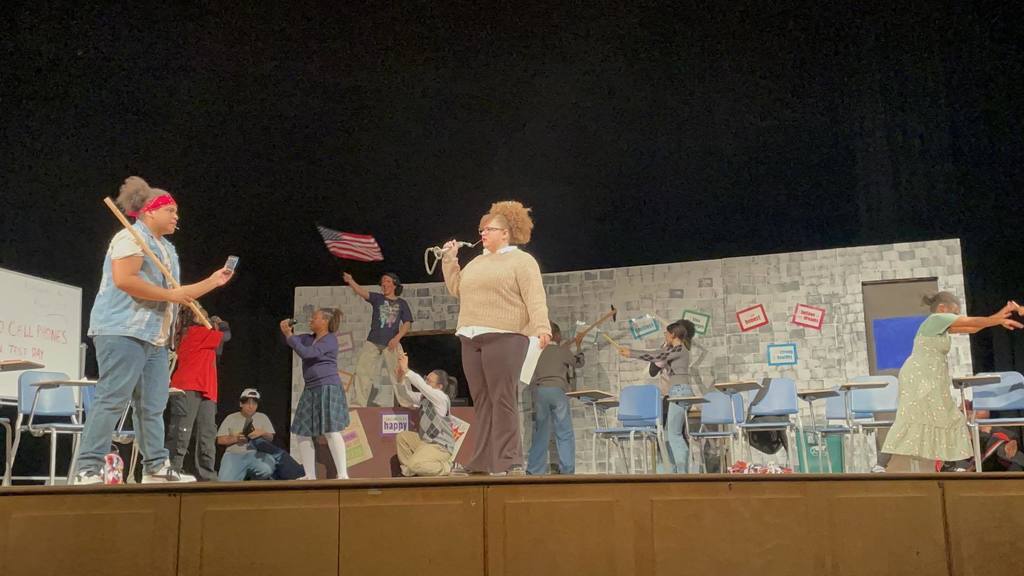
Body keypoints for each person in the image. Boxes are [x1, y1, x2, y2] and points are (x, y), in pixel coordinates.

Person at [75, 176, 234, 485]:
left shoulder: (167, 250)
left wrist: (213, 281)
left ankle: (155, 466)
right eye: (171, 210)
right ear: (150, 210)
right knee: (112, 399)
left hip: (154, 338)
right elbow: (125, 280)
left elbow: (178, 292)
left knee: (152, 405)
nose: (177, 216)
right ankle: (87, 467)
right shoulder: (130, 237)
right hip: (122, 331)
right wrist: (171, 296)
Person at [441, 200, 552, 476]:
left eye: (489, 229)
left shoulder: (522, 261)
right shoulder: (477, 262)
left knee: (503, 398)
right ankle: (481, 461)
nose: (483, 233)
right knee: (482, 402)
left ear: (505, 233)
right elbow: (457, 288)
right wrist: (449, 258)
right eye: (481, 229)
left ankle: (510, 460)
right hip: (470, 336)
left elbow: (535, 297)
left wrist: (542, 326)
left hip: (504, 337)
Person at [882, 292, 1022, 472]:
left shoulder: (941, 328)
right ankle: (881, 464)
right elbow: (971, 322)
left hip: (932, 377)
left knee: (952, 418)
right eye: (955, 313)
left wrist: (1000, 316)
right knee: (909, 416)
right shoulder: (935, 319)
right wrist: (997, 319)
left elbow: (972, 328)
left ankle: (953, 463)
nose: (957, 317)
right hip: (920, 376)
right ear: (942, 309)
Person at [618, 319, 697, 473]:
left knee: (674, 434)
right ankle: (669, 471)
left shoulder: (679, 349)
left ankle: (683, 472)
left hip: (680, 392)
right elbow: (658, 356)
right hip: (677, 392)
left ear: (673, 334)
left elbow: (657, 356)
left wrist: (631, 353)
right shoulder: (677, 349)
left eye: (667, 333)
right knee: (668, 434)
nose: (665, 336)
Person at [280, 308, 350, 479]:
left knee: (331, 431)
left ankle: (343, 474)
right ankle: (310, 475)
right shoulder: (309, 338)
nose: (311, 320)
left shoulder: (330, 340)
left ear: (325, 321)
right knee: (302, 432)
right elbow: (292, 341)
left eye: (315, 317)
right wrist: (286, 332)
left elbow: (307, 353)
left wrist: (289, 336)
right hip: (311, 388)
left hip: (327, 387)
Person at [165, 307, 227, 480]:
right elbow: (226, 335)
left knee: (207, 432)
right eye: (200, 313)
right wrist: (220, 324)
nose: (204, 315)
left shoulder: (204, 334)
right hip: (189, 386)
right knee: (182, 429)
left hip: (206, 388)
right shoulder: (194, 333)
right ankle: (173, 469)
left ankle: (207, 474)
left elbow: (220, 347)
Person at [342, 271, 413, 407]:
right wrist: (351, 281)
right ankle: (358, 403)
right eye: (382, 281)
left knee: (399, 372)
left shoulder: (402, 303)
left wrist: (397, 338)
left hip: (392, 342)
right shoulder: (378, 298)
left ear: (394, 284)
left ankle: (406, 402)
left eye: (386, 281)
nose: (383, 283)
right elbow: (361, 292)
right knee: (363, 371)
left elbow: (407, 323)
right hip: (373, 341)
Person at [526, 321, 585, 475]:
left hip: (540, 392)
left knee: (541, 433)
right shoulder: (562, 350)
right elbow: (579, 362)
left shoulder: (536, 352)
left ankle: (534, 470)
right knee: (564, 432)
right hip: (558, 392)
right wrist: (578, 346)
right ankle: (567, 470)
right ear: (557, 335)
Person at [393, 352, 457, 476]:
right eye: (426, 379)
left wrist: (406, 370)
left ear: (439, 386)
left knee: (414, 464)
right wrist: (400, 378)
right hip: (426, 442)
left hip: (440, 446)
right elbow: (404, 396)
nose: (426, 382)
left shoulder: (441, 398)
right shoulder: (423, 398)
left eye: (429, 381)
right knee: (403, 437)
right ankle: (412, 472)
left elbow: (421, 386)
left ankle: (446, 467)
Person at [216, 389, 277, 481]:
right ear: (241, 404)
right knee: (224, 482)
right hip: (234, 455)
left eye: (254, 404)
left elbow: (271, 438)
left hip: (255, 454)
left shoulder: (262, 417)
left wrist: (262, 433)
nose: (251, 406)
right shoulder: (231, 417)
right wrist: (236, 438)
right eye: (248, 403)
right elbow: (220, 440)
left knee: (267, 468)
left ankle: (254, 481)